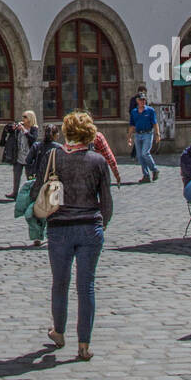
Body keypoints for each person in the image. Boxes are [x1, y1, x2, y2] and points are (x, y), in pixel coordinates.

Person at [44, 111, 113, 361]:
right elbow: (107, 203)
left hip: (59, 229)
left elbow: (39, 194)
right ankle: (84, 345)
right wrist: (100, 226)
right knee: (87, 287)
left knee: (59, 284)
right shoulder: (98, 161)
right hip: (89, 228)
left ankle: (59, 333)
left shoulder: (54, 157)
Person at [2, 111, 39, 198]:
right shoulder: (19, 128)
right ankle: (15, 192)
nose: (23, 119)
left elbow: (33, 139)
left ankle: (31, 192)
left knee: (30, 176)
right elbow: (8, 131)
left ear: (30, 118)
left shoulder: (34, 128)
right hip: (18, 155)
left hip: (29, 156)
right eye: (23, 116)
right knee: (16, 175)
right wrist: (13, 128)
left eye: (25, 117)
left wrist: (24, 130)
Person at [127, 94, 160, 183]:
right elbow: (132, 125)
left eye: (144, 100)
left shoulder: (150, 110)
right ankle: (146, 175)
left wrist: (157, 134)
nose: (143, 101)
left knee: (145, 153)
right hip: (138, 134)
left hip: (148, 134)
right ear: (137, 101)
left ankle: (154, 169)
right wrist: (129, 137)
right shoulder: (134, 112)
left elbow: (155, 123)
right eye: (141, 100)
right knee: (140, 156)